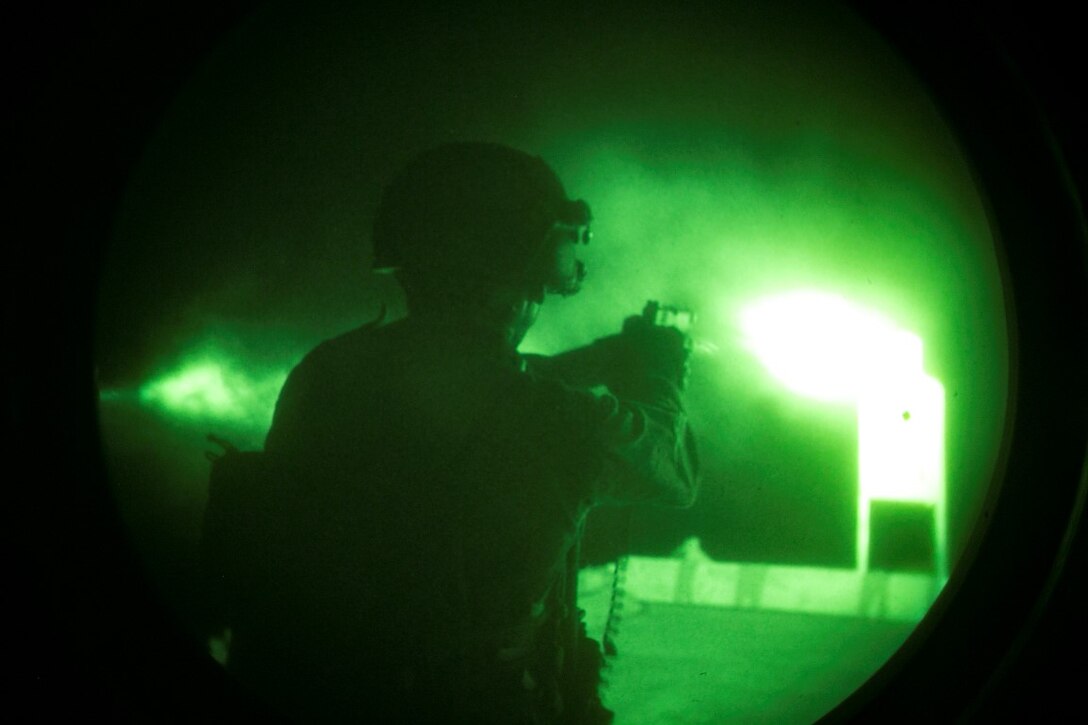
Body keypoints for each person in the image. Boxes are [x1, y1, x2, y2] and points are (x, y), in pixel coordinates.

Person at [200, 142, 699, 723]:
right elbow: (673, 470)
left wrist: (603, 358)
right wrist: (660, 372)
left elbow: (468, 384)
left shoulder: (330, 372)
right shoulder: (547, 417)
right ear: (522, 266)